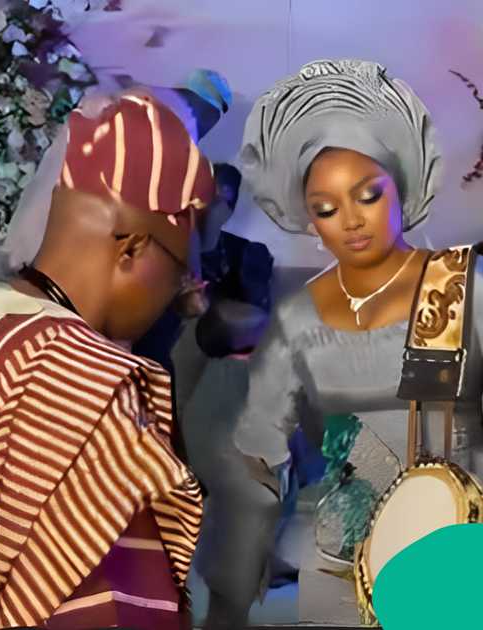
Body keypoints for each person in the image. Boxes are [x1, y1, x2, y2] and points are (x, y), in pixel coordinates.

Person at [199, 59, 483, 627]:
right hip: (337, 552)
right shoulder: (298, 316)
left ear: (400, 184)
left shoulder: (460, 290)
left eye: (368, 195)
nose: (350, 221)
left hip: (454, 544)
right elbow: (259, 444)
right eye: (326, 209)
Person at [0, 92, 215, 629]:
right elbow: (120, 609)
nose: (175, 297)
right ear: (130, 246)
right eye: (177, 274)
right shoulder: (89, 383)